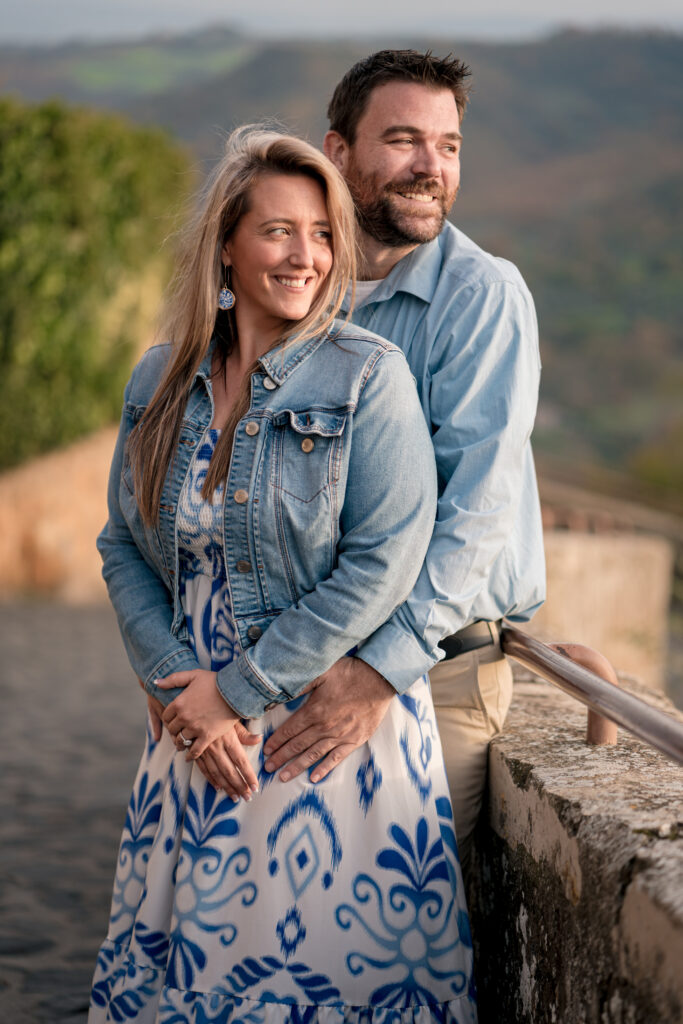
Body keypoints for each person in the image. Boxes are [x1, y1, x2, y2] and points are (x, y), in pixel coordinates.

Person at [89, 126, 478, 1022]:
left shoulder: (365, 378)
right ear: (225, 244)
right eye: (277, 231)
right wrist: (174, 685)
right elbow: (122, 544)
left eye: (322, 233)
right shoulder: (160, 377)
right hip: (192, 733)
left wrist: (239, 689)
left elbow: (386, 560)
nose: (305, 255)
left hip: (320, 741)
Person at [260, 50, 546, 878]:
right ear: (338, 151)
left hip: (429, 673)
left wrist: (376, 674)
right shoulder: (291, 287)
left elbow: (478, 510)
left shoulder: (479, 295)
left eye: (449, 146)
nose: (431, 167)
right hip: (287, 662)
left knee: (381, 919)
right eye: (404, 140)